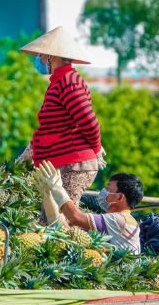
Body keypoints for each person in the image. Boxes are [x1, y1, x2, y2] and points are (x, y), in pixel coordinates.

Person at [17, 26, 106, 218]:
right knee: (49, 218)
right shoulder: (59, 82)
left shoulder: (68, 81)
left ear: (52, 57)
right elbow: (51, 128)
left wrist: (97, 149)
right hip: (61, 162)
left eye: (42, 56)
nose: (39, 60)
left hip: (74, 162)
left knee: (62, 221)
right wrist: (29, 151)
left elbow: (89, 122)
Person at [35, 161, 143, 253]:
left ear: (119, 197)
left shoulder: (121, 220)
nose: (103, 192)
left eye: (108, 189)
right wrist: (47, 195)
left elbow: (74, 217)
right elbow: (65, 230)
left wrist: (57, 188)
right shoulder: (113, 220)